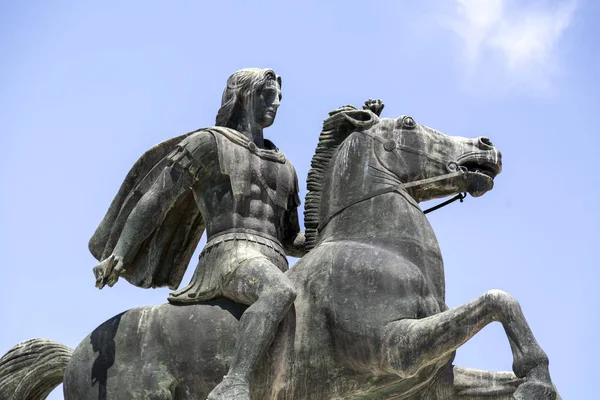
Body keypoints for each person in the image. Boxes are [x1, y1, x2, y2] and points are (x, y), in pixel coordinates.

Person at [89, 68, 306, 400]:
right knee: (278, 292)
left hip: (274, 260)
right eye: (267, 93)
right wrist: (121, 252)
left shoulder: (285, 166)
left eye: (278, 96)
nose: (276, 101)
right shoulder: (209, 143)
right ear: (243, 95)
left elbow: (291, 238)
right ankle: (234, 382)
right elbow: (157, 199)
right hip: (229, 253)